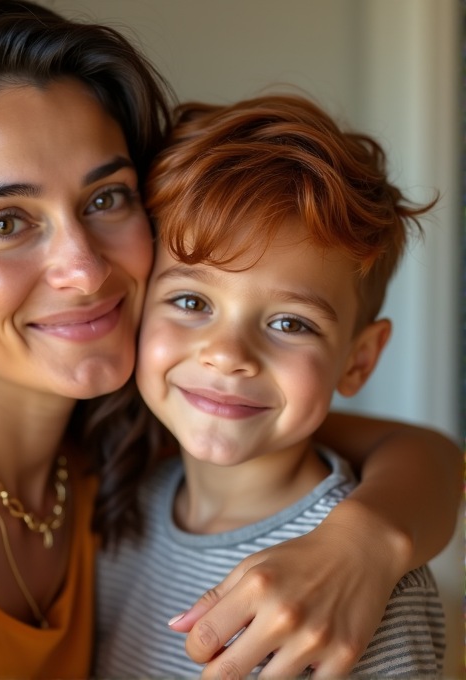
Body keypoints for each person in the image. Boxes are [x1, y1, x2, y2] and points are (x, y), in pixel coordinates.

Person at [0, 2, 461, 678]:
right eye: (5, 223)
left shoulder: (127, 450)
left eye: (106, 198)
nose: (83, 270)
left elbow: (422, 455)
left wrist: (364, 543)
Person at [95, 95, 448, 679]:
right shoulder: (124, 508)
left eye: (291, 323)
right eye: (191, 301)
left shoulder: (365, 592)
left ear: (358, 361)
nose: (229, 356)